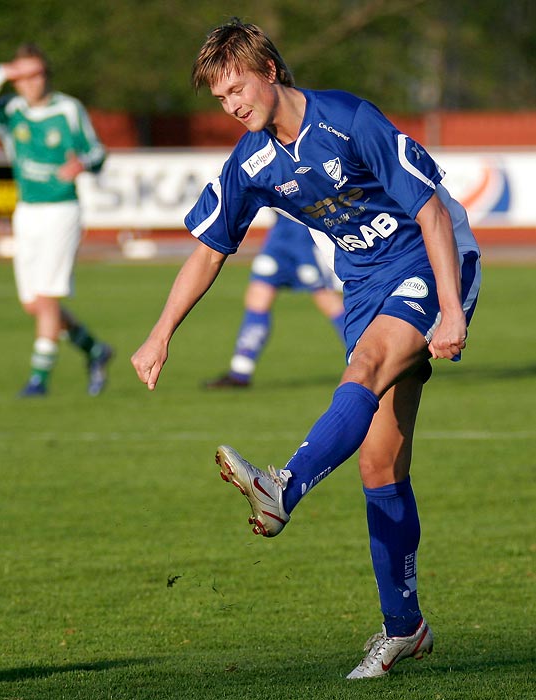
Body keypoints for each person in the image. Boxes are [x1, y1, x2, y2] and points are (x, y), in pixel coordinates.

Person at [131, 19, 481, 679]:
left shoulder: (347, 119)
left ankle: (281, 484)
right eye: (219, 98)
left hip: (431, 257)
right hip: (361, 282)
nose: (231, 105)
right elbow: (209, 250)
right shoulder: (253, 162)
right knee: (379, 466)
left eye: (236, 88)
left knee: (367, 366)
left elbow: (431, 210)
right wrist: (159, 333)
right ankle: (405, 628)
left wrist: (452, 307)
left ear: (268, 69)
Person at [0, 43, 113, 397]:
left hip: (62, 210)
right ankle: (95, 350)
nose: (33, 82)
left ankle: (38, 380)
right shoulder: (12, 111)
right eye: (24, 76)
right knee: (33, 304)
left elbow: (97, 150)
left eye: (38, 74)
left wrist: (83, 163)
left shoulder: (67, 109)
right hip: (26, 212)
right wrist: (0, 73)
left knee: (47, 298)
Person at [204, 213, 345, 389]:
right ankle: (240, 372)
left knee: (325, 296)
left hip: (307, 233)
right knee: (258, 295)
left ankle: (364, 356)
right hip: (280, 235)